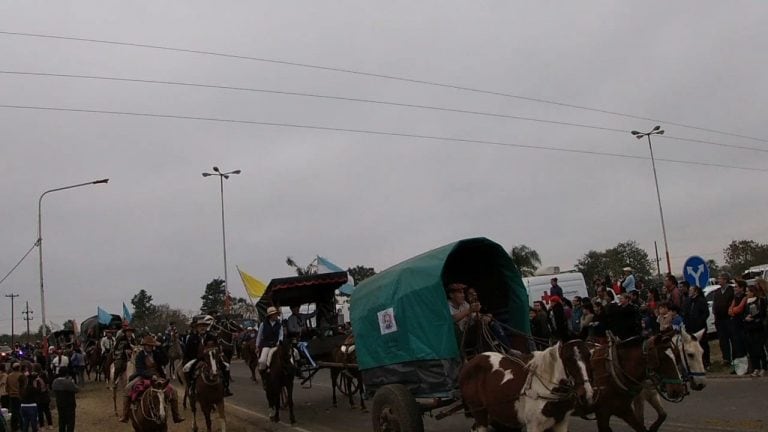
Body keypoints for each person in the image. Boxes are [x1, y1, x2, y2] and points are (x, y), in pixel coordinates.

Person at [119, 335, 183, 424]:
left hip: (158, 377)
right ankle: (125, 415)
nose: (150, 347)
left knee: (174, 391)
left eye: (152, 345)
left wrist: (160, 347)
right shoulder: (139, 356)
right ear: (144, 346)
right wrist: (150, 375)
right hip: (143, 376)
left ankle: (176, 416)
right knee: (127, 389)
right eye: (148, 345)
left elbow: (165, 361)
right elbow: (140, 369)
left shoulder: (156, 353)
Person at [683, 286, 711, 368]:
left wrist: (700, 321)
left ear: (696, 292)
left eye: (691, 290)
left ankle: (706, 362)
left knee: (703, 344)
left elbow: (706, 313)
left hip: (700, 327)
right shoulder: (688, 301)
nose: (689, 291)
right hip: (690, 327)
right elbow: (685, 313)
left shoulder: (701, 301)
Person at [256, 307, 284, 384]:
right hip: (266, 345)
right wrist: (257, 346)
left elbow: (281, 335)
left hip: (276, 345)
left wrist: (279, 342)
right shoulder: (263, 324)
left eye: (276, 314)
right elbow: (259, 336)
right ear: (270, 315)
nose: (276, 316)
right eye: (274, 314)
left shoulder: (279, 325)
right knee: (262, 361)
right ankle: (264, 377)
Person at [744, 285, 767, 376]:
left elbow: (763, 314)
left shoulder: (760, 301)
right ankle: (756, 367)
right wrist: (745, 318)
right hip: (749, 329)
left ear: (752, 292)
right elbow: (744, 313)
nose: (746, 293)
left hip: (758, 328)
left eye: (748, 291)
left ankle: (764, 367)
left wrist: (754, 318)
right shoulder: (746, 302)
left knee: (760, 349)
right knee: (752, 350)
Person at [713, 273, 735, 366]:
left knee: (732, 339)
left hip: (728, 319)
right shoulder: (717, 291)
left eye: (720, 278)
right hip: (719, 319)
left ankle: (734, 357)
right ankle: (726, 358)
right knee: (722, 340)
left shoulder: (731, 290)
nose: (718, 280)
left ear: (725, 280)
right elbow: (715, 304)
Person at [728, 280, 749, 372]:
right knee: (736, 346)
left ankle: (747, 365)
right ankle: (737, 366)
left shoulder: (745, 297)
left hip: (742, 325)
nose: (734, 288)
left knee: (743, 346)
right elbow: (729, 310)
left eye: (736, 287)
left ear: (742, 288)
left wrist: (733, 311)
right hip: (735, 325)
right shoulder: (735, 298)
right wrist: (732, 311)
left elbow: (739, 309)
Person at [51, 367, 78, 432]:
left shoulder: (55, 381)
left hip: (60, 403)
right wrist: (72, 382)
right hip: (69, 404)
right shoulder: (68, 382)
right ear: (67, 374)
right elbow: (77, 389)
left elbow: (53, 390)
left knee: (61, 420)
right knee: (70, 422)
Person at [7, 363, 26, 432]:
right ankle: (22, 426)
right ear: (19, 368)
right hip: (19, 396)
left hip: (12, 396)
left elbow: (7, 387)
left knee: (13, 411)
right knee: (19, 411)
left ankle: (13, 427)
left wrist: (9, 392)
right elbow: (23, 387)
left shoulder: (9, 376)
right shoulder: (21, 376)